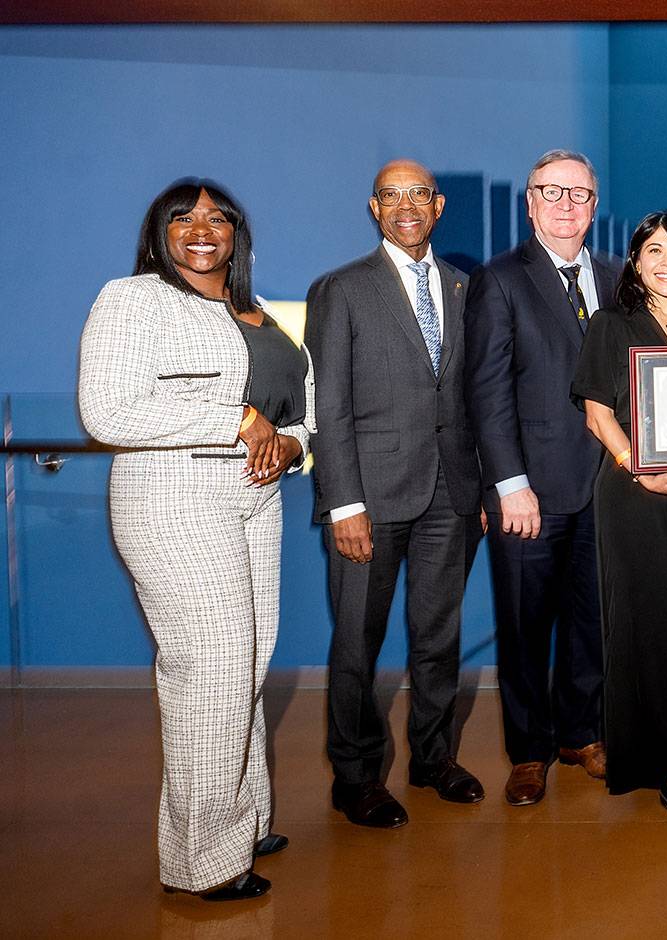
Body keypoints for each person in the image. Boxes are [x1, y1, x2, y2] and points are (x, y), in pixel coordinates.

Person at [78, 179, 313, 900]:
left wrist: (291, 447)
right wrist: (235, 422)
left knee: (245, 663)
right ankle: (202, 863)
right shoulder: (134, 298)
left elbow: (300, 415)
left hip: (258, 498)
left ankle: (241, 818)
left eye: (218, 217)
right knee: (209, 671)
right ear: (160, 233)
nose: (201, 228)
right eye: (183, 217)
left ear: (238, 233)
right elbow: (108, 410)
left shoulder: (264, 314)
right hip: (175, 499)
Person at [305, 159, 485, 829]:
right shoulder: (342, 289)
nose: (406, 205)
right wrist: (344, 503)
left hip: (452, 496)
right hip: (371, 501)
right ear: (373, 207)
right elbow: (329, 405)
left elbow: (469, 399)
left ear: (437, 206)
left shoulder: (463, 286)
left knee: (437, 637)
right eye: (391, 195)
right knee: (358, 641)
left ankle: (433, 758)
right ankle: (353, 777)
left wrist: (484, 488)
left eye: (418, 194)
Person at [465, 149, 621, 804]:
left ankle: (579, 732)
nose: (564, 205)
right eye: (550, 193)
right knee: (526, 627)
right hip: (529, 493)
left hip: (607, 489)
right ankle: (528, 750)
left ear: (593, 206)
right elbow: (487, 392)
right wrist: (508, 485)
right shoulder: (500, 280)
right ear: (530, 204)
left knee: (593, 622)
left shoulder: (618, 279)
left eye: (578, 194)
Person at [571, 211, 667, 829]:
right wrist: (641, 468)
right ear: (634, 261)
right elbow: (597, 414)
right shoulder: (612, 325)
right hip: (633, 493)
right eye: (653, 250)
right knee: (647, 627)